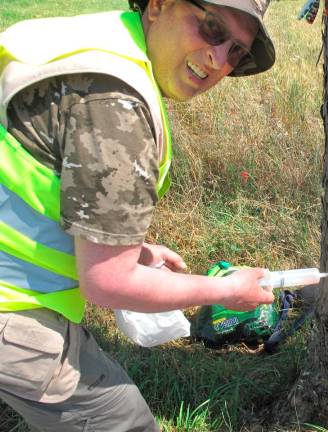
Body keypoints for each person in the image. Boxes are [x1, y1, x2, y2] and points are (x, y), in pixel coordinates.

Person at [0, 0, 275, 430]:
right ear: (159, 4)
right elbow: (108, 283)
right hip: (10, 302)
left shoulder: (102, 43)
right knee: (123, 422)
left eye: (237, 51)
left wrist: (128, 246)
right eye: (212, 28)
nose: (220, 59)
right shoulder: (119, 109)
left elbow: (35, 172)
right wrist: (223, 291)